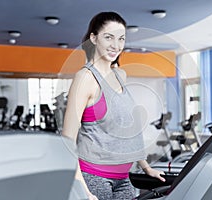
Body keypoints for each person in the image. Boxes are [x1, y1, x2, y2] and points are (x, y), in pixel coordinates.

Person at [62, 11, 165, 200]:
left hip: (124, 178)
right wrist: (82, 187)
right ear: (93, 38)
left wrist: (146, 167)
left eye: (121, 39)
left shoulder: (120, 75)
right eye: (109, 37)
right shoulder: (85, 78)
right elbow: (68, 139)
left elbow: (129, 130)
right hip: (94, 178)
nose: (116, 45)